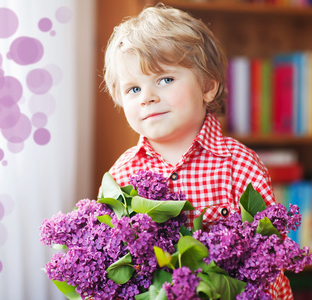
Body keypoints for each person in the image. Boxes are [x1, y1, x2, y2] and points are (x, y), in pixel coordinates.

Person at [102, 4, 293, 299]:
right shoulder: (121, 174)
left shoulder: (238, 164)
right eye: (133, 89)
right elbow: (110, 262)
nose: (148, 98)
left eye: (165, 80)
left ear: (208, 86)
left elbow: (269, 260)